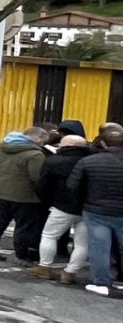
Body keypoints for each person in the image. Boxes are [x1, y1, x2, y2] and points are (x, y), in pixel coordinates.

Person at [67, 123, 123, 298]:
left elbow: (72, 186)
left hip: (96, 210)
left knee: (100, 247)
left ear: (103, 143)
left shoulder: (88, 161)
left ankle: (101, 283)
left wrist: (82, 202)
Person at [0, 125, 49, 263]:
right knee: (24, 226)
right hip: (26, 196)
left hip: (1, 192)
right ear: (38, 138)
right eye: (43, 141)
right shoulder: (35, 154)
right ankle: (22, 255)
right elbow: (36, 177)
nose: (43, 144)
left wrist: (1, 175)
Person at [33, 130, 91, 282]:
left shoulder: (54, 161)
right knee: (82, 242)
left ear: (68, 145)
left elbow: (42, 185)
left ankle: (44, 267)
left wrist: (47, 202)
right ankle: (69, 273)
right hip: (88, 207)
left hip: (62, 205)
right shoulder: (91, 160)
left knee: (49, 235)